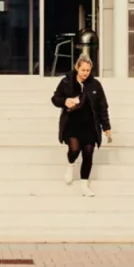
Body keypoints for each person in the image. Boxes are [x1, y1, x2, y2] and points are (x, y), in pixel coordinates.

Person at [51, 56, 111, 197]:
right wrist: (65, 101)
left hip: (90, 124)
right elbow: (55, 98)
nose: (85, 73)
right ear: (77, 68)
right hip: (72, 122)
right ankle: (70, 164)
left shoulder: (95, 85)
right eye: (83, 70)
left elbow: (102, 107)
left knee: (88, 153)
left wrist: (106, 127)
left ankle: (84, 185)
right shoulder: (66, 81)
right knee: (74, 149)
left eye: (88, 70)